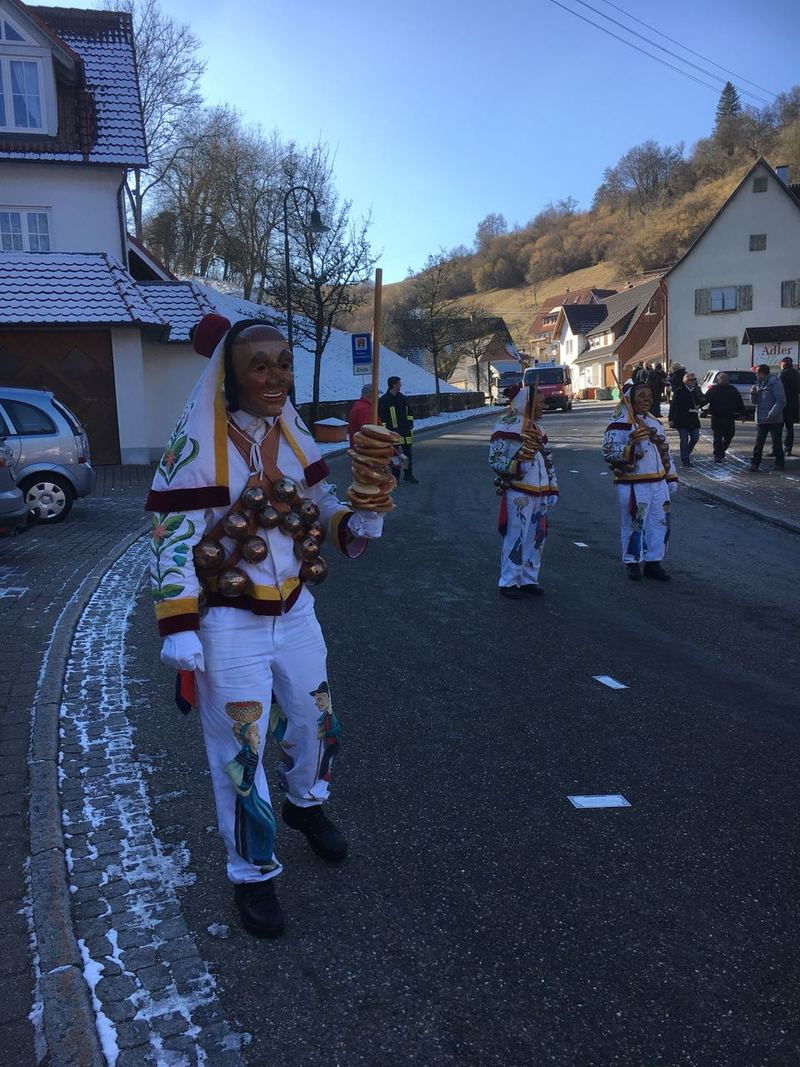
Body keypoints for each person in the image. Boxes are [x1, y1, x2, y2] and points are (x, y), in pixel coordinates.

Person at [145, 314, 385, 939]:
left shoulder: (292, 432)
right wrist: (178, 623)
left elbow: (319, 507)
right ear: (231, 375)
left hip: (296, 612)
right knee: (240, 749)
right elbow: (173, 537)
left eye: (283, 363)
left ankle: (305, 804)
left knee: (314, 720)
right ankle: (252, 871)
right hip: (228, 624)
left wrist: (354, 519)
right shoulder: (196, 444)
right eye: (260, 366)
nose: (277, 377)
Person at [603, 381, 678, 582]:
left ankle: (654, 561)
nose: (647, 400)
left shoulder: (655, 424)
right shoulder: (618, 425)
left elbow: (665, 452)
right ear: (629, 400)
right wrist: (632, 446)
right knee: (634, 524)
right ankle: (632, 561)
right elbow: (608, 451)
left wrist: (671, 475)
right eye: (642, 396)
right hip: (634, 484)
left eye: (650, 396)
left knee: (659, 523)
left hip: (659, 483)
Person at [489, 385, 558, 598]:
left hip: (541, 492)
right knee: (516, 536)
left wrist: (553, 486)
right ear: (527, 403)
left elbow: (548, 460)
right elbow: (495, 459)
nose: (543, 406)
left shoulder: (538, 429)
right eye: (539, 402)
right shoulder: (505, 425)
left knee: (537, 538)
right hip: (519, 491)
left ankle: (528, 578)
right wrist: (518, 466)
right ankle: (509, 581)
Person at [378, 376, 417, 483]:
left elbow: (410, 412)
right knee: (395, 456)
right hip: (392, 433)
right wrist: (386, 432)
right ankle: (396, 477)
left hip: (405, 432)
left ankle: (408, 475)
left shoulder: (403, 398)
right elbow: (382, 418)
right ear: (394, 385)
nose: (401, 385)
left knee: (407, 455)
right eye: (399, 383)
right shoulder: (384, 401)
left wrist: (410, 423)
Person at [749, 363, 786, 471]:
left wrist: (772, 413)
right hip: (762, 418)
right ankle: (755, 463)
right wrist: (753, 394)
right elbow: (755, 402)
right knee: (759, 442)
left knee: (776, 442)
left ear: (762, 373)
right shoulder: (759, 383)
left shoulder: (775, 382)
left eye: (757, 373)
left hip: (774, 419)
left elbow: (781, 400)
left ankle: (779, 463)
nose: (756, 375)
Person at [703, 371, 745, 461]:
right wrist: (698, 405)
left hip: (729, 416)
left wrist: (742, 413)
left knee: (730, 435)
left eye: (726, 378)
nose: (725, 380)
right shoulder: (713, 389)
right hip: (716, 416)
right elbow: (705, 399)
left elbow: (739, 401)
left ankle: (721, 450)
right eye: (722, 378)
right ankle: (718, 455)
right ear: (718, 380)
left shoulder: (732, 389)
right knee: (717, 437)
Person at [669, 371, 705, 466]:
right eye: (691, 380)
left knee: (695, 437)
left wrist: (699, 405)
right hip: (682, 419)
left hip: (693, 419)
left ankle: (686, 452)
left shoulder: (696, 390)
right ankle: (685, 459)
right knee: (684, 440)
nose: (694, 381)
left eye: (695, 379)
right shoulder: (679, 391)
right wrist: (671, 419)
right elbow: (673, 406)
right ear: (686, 381)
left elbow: (702, 400)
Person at [779, 356, 799, 456]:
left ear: (783, 364)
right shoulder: (797, 374)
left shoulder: (783, 374)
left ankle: (776, 448)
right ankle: (788, 449)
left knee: (777, 427)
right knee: (789, 428)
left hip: (783, 403)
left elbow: (779, 389)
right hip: (794, 403)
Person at [348, 383, 374, 447]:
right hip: (365, 448)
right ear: (370, 394)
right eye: (377, 394)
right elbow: (368, 431)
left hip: (358, 445)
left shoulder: (359, 405)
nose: (378, 397)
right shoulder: (365, 409)